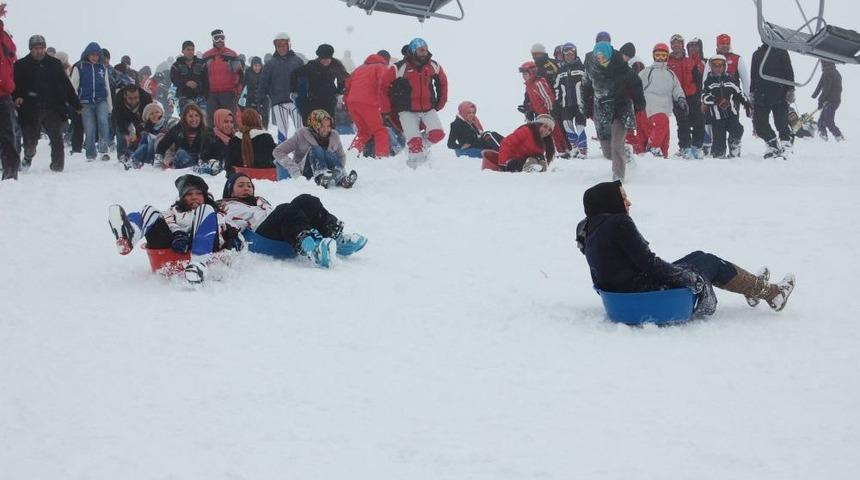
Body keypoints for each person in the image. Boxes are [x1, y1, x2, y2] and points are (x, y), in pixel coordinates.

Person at [575, 181, 795, 316]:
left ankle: (752, 287)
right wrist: (687, 277)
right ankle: (772, 293)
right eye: (623, 198)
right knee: (710, 262)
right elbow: (648, 263)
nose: (629, 203)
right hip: (644, 292)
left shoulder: (589, 227)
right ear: (609, 201)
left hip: (621, 294)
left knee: (698, 256)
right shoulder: (619, 223)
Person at [107, 174, 242, 284]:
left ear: (205, 196)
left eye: (198, 193)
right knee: (149, 210)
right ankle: (129, 235)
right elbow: (167, 222)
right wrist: (178, 233)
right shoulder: (173, 212)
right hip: (173, 247)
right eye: (189, 194)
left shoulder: (215, 213)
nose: (194, 197)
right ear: (182, 198)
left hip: (205, 250)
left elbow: (234, 232)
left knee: (205, 209)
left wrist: (233, 242)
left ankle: (198, 264)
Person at [219, 173, 367, 268]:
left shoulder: (259, 201)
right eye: (241, 185)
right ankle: (311, 247)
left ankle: (335, 236)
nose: (247, 188)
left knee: (306, 200)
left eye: (249, 185)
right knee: (285, 209)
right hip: (259, 235)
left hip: (276, 228)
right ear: (230, 190)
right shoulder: (226, 205)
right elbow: (229, 225)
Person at [13, 34, 82, 172]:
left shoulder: (55, 64)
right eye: (36, 48)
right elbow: (15, 85)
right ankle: (28, 156)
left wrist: (76, 104)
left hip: (53, 107)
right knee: (30, 142)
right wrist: (17, 96)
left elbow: (66, 85)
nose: (39, 51)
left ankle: (57, 168)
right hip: (30, 109)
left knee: (57, 139)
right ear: (30, 49)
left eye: (42, 48)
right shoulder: (21, 65)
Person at [381, 37, 448, 168]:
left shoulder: (433, 65)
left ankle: (417, 149)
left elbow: (443, 82)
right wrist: (386, 110)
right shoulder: (399, 67)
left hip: (428, 109)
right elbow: (383, 87)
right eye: (421, 50)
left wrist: (441, 102)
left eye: (426, 50)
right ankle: (413, 168)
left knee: (438, 134)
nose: (424, 53)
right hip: (407, 111)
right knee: (415, 144)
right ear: (413, 50)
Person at [582, 42, 644, 181]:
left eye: (603, 56)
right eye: (598, 57)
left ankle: (618, 176)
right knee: (607, 152)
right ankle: (625, 153)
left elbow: (636, 83)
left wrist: (639, 102)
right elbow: (585, 86)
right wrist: (585, 106)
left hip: (620, 107)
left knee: (616, 145)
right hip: (602, 109)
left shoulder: (620, 65)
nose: (600, 59)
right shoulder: (591, 67)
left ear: (609, 55)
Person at [274, 109, 356, 188]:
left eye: (328, 126)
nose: (326, 130)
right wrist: (294, 169)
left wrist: (337, 169)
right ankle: (321, 176)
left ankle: (342, 178)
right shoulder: (301, 134)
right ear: (315, 125)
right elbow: (278, 151)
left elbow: (341, 156)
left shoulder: (334, 136)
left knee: (328, 153)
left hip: (328, 172)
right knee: (317, 149)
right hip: (305, 171)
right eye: (322, 126)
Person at [637, 43, 687, 158]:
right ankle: (652, 148)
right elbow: (637, 86)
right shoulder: (647, 72)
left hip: (664, 108)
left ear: (667, 57)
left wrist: (681, 98)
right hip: (650, 108)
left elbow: (677, 88)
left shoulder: (670, 74)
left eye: (663, 55)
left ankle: (662, 158)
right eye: (658, 55)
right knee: (660, 125)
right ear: (653, 56)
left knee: (664, 136)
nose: (660, 58)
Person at [70, 42, 113, 161]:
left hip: (101, 100)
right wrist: (75, 104)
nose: (94, 57)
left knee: (104, 123)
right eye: (92, 55)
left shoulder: (102, 68)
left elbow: (107, 87)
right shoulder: (79, 67)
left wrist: (110, 106)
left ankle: (104, 150)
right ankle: (90, 153)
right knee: (89, 127)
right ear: (87, 54)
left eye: (96, 55)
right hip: (85, 102)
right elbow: (73, 86)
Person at [702, 55, 751, 158]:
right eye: (715, 65)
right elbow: (705, 97)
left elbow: (739, 93)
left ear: (725, 67)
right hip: (717, 117)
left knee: (737, 129)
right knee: (719, 137)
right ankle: (718, 155)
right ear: (711, 67)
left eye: (720, 65)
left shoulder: (730, 79)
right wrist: (717, 100)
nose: (718, 68)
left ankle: (734, 147)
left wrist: (747, 104)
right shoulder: (709, 81)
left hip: (731, 114)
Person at [750, 43, 795, 158]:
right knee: (759, 124)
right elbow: (753, 75)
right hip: (761, 94)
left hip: (780, 93)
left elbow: (788, 70)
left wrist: (791, 89)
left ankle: (786, 144)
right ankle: (772, 144)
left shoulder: (781, 51)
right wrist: (752, 94)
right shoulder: (757, 54)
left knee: (781, 122)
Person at [259, 32, 304, 142]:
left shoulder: (297, 61)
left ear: (289, 45)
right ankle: (281, 156)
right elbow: (263, 82)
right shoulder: (270, 64)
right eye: (279, 46)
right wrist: (260, 99)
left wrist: (304, 95)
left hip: (295, 101)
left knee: (300, 128)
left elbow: (304, 80)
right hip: (278, 101)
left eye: (284, 45)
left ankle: (302, 154)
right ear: (275, 47)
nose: (281, 48)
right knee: (282, 128)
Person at [519, 61, 569, 157]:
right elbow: (535, 101)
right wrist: (528, 108)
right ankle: (552, 151)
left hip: (548, 112)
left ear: (532, 73)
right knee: (544, 133)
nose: (523, 76)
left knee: (555, 131)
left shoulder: (539, 82)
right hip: (540, 114)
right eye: (523, 74)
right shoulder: (529, 86)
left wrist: (550, 112)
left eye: (525, 74)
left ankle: (563, 151)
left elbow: (547, 97)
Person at [344, 53, 390, 158]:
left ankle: (352, 154)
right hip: (369, 103)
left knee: (364, 132)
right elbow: (383, 83)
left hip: (352, 103)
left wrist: (347, 102)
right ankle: (382, 157)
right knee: (380, 130)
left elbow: (347, 85)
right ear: (385, 60)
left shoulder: (359, 69)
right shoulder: (381, 67)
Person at [667, 34, 705, 159]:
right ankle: (685, 147)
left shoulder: (690, 61)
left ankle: (697, 146)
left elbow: (698, 80)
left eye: (679, 43)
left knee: (699, 121)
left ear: (683, 45)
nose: (676, 45)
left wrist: (699, 96)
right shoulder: (668, 63)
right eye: (674, 43)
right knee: (683, 123)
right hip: (677, 98)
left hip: (692, 96)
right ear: (671, 46)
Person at [481, 114, 555, 173]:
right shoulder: (526, 131)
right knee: (533, 159)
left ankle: (538, 171)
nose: (546, 131)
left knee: (539, 158)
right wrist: (502, 164)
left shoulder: (543, 142)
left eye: (549, 130)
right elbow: (506, 144)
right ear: (538, 125)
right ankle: (531, 169)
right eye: (545, 127)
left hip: (525, 162)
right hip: (512, 161)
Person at [292, 44, 348, 120]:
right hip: (313, 100)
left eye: (328, 58)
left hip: (330, 100)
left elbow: (343, 77)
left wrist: (339, 91)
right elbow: (295, 74)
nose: (325, 61)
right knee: (315, 125)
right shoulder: (311, 66)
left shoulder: (335, 65)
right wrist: (295, 90)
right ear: (319, 57)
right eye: (323, 58)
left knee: (329, 124)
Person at [202, 29, 243, 125]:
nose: (220, 40)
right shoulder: (207, 55)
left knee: (230, 119)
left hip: (228, 93)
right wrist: (204, 92)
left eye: (222, 38)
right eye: (216, 38)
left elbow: (240, 74)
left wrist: (237, 92)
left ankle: (232, 139)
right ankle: (212, 139)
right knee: (212, 121)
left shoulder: (231, 54)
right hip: (211, 94)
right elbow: (202, 76)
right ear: (212, 40)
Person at [554, 42, 588, 157]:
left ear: (575, 54)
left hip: (580, 104)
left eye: (571, 54)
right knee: (567, 125)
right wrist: (558, 101)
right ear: (563, 56)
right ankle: (575, 148)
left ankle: (583, 150)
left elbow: (588, 85)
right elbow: (556, 87)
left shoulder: (582, 68)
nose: (569, 56)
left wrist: (587, 100)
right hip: (566, 104)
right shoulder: (560, 70)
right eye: (566, 54)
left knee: (580, 126)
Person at [155, 103, 214, 169]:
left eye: (196, 116)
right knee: (181, 153)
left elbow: (213, 148)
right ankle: (193, 168)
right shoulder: (178, 129)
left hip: (201, 160)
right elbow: (163, 144)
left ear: (200, 117)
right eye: (190, 116)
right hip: (182, 159)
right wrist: (159, 161)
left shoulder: (207, 131)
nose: (194, 119)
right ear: (185, 118)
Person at [0, 4, 19, 180]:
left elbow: (12, 60)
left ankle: (10, 172)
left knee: (7, 134)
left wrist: (10, 84)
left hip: (4, 93)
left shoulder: (6, 38)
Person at [112, 84, 153, 163]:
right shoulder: (118, 98)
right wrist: (125, 134)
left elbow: (149, 117)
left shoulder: (146, 97)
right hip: (124, 115)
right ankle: (122, 154)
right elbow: (119, 119)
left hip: (140, 115)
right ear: (125, 96)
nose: (134, 101)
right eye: (130, 98)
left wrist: (143, 130)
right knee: (120, 132)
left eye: (136, 98)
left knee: (142, 132)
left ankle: (139, 151)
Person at [125, 102, 168, 168]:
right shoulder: (146, 129)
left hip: (163, 153)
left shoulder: (166, 123)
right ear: (148, 117)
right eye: (151, 114)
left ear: (161, 113)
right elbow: (139, 144)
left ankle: (147, 164)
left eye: (157, 112)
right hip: (148, 153)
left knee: (153, 140)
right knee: (145, 144)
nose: (155, 115)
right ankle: (134, 161)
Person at [171, 40, 209, 114]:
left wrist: (206, 95)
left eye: (192, 50)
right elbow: (174, 80)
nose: (190, 52)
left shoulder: (202, 64)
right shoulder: (176, 66)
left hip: (200, 97)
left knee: (203, 119)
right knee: (187, 119)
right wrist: (186, 83)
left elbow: (206, 80)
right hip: (184, 97)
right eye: (188, 49)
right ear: (183, 51)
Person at [812, 61, 843, 142]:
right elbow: (820, 84)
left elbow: (826, 89)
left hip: (830, 101)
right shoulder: (833, 72)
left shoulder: (828, 73)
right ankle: (823, 136)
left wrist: (820, 101)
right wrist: (815, 95)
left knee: (828, 121)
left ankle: (839, 136)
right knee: (821, 121)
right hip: (834, 100)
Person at [241, 56, 268, 128]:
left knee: (264, 122)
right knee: (249, 121)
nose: (257, 68)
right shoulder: (248, 72)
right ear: (252, 65)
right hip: (250, 100)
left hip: (263, 100)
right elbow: (242, 85)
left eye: (259, 65)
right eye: (255, 65)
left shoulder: (265, 73)